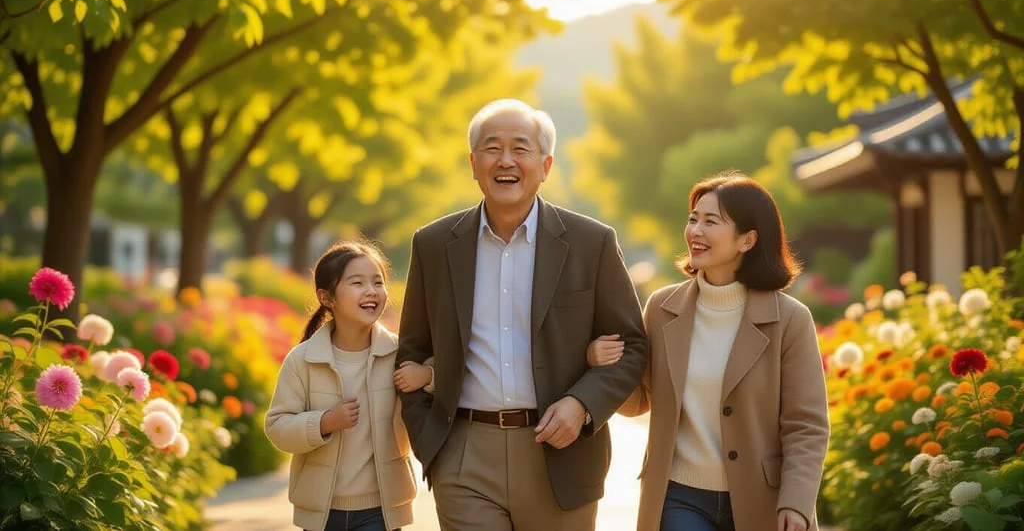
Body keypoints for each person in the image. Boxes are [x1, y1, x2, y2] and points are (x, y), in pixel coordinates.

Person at [397, 98, 648, 530]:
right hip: (464, 454)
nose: (506, 160)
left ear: (546, 165)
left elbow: (632, 347)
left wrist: (582, 405)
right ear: (473, 163)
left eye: (521, 148)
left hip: (562, 452)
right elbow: (413, 349)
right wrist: (432, 445)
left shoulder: (592, 242)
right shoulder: (434, 244)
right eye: (492, 148)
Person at [590, 173, 829, 531]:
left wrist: (796, 502)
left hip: (762, 498)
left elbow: (806, 425)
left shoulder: (790, 320)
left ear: (748, 240)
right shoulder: (662, 308)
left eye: (711, 222)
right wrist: (600, 364)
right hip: (679, 496)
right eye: (693, 219)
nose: (695, 231)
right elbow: (639, 399)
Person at [266, 241, 426, 531]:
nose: (371, 291)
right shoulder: (302, 360)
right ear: (327, 298)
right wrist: (325, 422)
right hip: (322, 512)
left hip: (381, 510)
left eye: (378, 282)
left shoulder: (399, 354)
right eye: (357, 282)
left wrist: (426, 375)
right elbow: (277, 428)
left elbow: (450, 384)